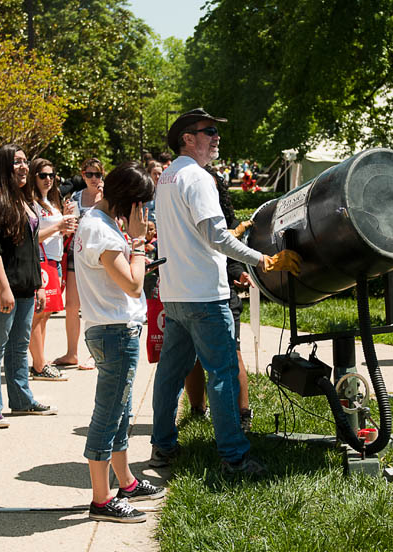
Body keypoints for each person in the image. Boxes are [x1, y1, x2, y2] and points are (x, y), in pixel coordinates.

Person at [150, 108, 301, 475]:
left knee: (170, 375)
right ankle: (234, 456)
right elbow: (215, 237)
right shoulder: (199, 179)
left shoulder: (167, 177)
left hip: (176, 293)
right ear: (188, 138)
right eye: (209, 131)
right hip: (205, 295)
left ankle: (163, 448)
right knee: (222, 374)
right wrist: (263, 260)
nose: (216, 137)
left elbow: (192, 233)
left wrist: (230, 236)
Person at [74, 161, 165, 523]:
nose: (143, 212)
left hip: (110, 327)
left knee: (121, 410)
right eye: (140, 205)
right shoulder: (102, 230)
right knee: (109, 415)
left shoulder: (98, 222)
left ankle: (125, 482)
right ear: (129, 202)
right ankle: (101, 500)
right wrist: (140, 243)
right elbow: (132, 284)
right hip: (114, 331)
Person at [0, 144, 57, 428]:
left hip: (24, 288)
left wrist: (37, 284)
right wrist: (3, 288)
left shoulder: (24, 199)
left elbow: (29, 245)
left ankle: (21, 400)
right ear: (2, 165)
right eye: (16, 162)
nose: (23, 167)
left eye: (25, 161)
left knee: (19, 348)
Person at [184, 167, 254, 431]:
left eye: (211, 187)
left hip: (224, 298)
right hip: (192, 296)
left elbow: (234, 261)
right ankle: (197, 410)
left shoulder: (230, 224)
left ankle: (243, 415)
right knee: (194, 357)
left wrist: (239, 275)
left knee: (232, 354)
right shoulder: (186, 222)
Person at [28, 158, 77, 381]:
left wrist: (65, 223)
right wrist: (59, 226)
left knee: (45, 315)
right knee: (37, 315)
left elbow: (57, 234)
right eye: (42, 175)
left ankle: (41, 360)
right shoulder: (31, 203)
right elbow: (30, 237)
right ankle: (38, 365)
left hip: (54, 262)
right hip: (39, 262)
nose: (48, 179)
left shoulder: (51, 201)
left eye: (51, 175)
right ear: (33, 177)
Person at [54, 158, 104, 371]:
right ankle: (72, 353)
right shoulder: (75, 197)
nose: (93, 178)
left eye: (98, 174)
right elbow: (67, 229)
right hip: (77, 253)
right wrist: (65, 220)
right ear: (82, 175)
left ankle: (96, 354)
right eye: (89, 174)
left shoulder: (108, 198)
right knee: (72, 306)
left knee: (96, 305)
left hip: (101, 257)